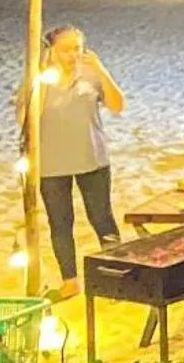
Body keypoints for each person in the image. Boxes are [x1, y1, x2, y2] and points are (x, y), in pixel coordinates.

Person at [30, 26, 124, 298]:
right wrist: (42, 79)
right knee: (60, 222)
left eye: (77, 47)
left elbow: (117, 105)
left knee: (102, 217)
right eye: (66, 49)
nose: (73, 54)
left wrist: (101, 69)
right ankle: (70, 280)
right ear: (52, 50)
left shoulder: (91, 74)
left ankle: (115, 277)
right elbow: (27, 117)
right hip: (51, 162)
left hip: (92, 157)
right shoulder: (40, 79)